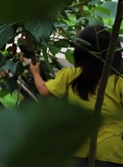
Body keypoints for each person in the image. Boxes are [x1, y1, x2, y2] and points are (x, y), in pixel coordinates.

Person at [30, 25, 123, 167]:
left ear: (81, 51)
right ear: (114, 53)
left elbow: (44, 91)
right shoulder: (119, 82)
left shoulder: (70, 75)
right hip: (109, 151)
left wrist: (36, 73)